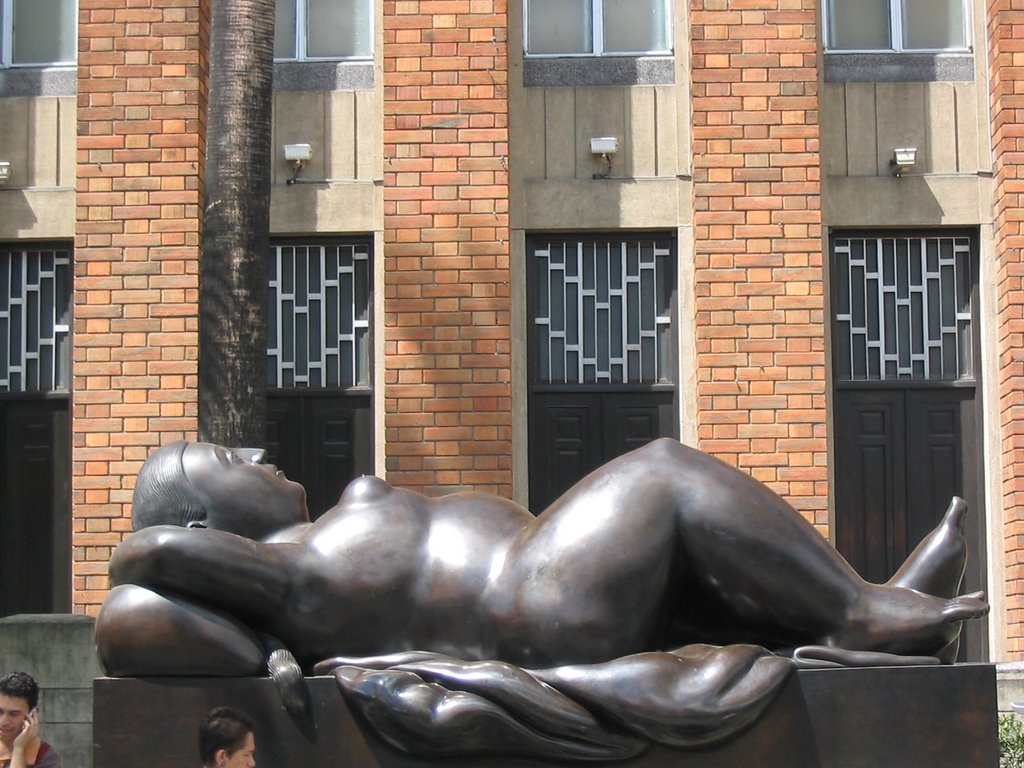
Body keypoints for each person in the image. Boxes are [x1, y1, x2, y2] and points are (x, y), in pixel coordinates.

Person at [94, 437, 988, 757]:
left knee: (684, 541)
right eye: (227, 461)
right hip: (532, 609)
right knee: (663, 473)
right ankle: (860, 612)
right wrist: (150, 544)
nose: (258, 457)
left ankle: (864, 611)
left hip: (541, 590)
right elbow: (145, 571)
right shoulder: (285, 572)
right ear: (209, 527)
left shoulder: (308, 548)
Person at [0, 673, 61, 768]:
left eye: (13, 714)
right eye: (0, 712)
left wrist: (19, 749)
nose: (3, 722)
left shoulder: (45, 758)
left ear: (32, 715)